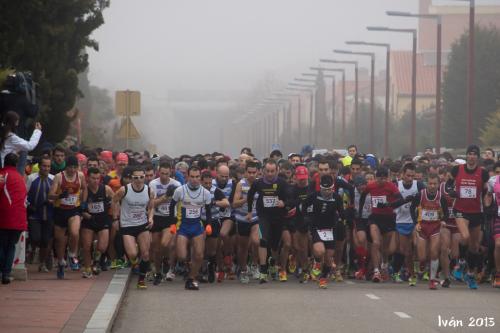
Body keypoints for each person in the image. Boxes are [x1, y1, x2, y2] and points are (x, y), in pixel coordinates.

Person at [449, 145, 489, 289]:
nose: (471, 156)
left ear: (477, 157)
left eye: (474, 154)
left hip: (476, 212)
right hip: (460, 210)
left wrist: (486, 204)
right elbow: (448, 185)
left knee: (474, 247)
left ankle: (470, 274)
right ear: (466, 156)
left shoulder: (483, 173)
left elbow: (485, 191)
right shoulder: (457, 170)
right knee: (464, 237)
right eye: (469, 154)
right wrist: (451, 192)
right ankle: (459, 264)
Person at [168, 166, 212, 290]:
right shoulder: (180, 191)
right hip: (183, 227)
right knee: (182, 256)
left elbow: (208, 212)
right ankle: (188, 269)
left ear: (200, 178)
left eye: (197, 177)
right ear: (187, 176)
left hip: (197, 227)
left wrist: (208, 224)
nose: (194, 179)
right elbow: (172, 207)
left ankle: (191, 279)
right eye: (192, 177)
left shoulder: (205, 193)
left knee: (199, 255)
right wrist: (172, 223)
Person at [112, 165, 154, 289]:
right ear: (131, 178)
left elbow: (151, 207)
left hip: (142, 224)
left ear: (145, 177)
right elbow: (114, 201)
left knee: (146, 254)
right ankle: (135, 263)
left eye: (142, 177)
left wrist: (151, 218)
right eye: (136, 177)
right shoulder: (124, 190)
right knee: (132, 254)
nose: (139, 180)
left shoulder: (149, 191)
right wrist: (115, 218)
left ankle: (141, 280)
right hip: (127, 224)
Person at [247, 159, 288, 284]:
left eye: (272, 171)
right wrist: (249, 211)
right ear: (263, 171)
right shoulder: (258, 183)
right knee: (263, 240)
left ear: (277, 171)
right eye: (267, 171)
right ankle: (263, 270)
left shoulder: (282, 183)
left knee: (275, 245)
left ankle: (272, 265)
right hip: (263, 216)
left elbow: (289, 198)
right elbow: (250, 195)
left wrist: (284, 203)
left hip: (278, 217)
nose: (270, 174)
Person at [302, 175, 344, 289]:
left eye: (329, 189)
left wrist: (344, 218)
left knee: (329, 257)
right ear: (320, 188)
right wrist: (306, 217)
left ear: (333, 188)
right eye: (324, 190)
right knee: (320, 251)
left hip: (331, 228)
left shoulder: (336, 198)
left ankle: (323, 278)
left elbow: (341, 212)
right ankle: (317, 262)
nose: (327, 192)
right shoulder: (314, 196)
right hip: (317, 227)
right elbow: (304, 205)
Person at [49, 155, 87, 279]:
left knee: (75, 232)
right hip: (60, 210)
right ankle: (61, 263)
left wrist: (83, 203)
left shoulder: (80, 176)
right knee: (60, 241)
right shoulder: (59, 177)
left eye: (75, 167)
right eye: (70, 167)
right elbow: (50, 195)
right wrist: (60, 195)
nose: (72, 170)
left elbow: (85, 188)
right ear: (66, 166)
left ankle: (72, 254)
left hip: (74, 210)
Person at [410, 173, 448, 289]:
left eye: (435, 184)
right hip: (423, 226)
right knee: (422, 257)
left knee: (434, 252)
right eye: (430, 184)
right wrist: (416, 223)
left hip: (435, 226)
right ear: (427, 184)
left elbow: (445, 212)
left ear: (438, 184)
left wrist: (443, 220)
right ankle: (421, 266)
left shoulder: (441, 197)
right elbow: (412, 208)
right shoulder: (420, 195)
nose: (432, 186)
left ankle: (432, 279)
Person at [149, 162, 181, 284]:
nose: (164, 176)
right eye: (162, 173)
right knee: (156, 249)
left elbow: (180, 204)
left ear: (171, 173)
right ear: (158, 172)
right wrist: (165, 197)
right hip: (157, 217)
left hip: (170, 218)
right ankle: (158, 272)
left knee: (165, 244)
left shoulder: (176, 184)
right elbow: (151, 204)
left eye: (166, 174)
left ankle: (167, 261)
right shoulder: (153, 184)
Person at [80, 167, 114, 278]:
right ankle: (87, 268)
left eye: (98, 178)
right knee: (86, 246)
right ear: (88, 178)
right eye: (93, 178)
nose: (95, 181)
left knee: (103, 247)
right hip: (89, 220)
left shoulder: (106, 189)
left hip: (103, 220)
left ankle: (96, 262)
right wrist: (83, 213)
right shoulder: (84, 191)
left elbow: (115, 200)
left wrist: (114, 214)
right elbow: (79, 206)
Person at [0, 153, 28, 284]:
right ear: (16, 164)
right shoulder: (20, 178)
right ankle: (6, 274)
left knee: (1, 245)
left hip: (4, 217)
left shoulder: (2, 175)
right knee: (11, 246)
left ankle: (2, 272)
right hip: (19, 219)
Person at [232, 161, 260, 283]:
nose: (252, 175)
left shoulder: (260, 183)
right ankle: (243, 270)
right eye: (249, 172)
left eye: (254, 172)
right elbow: (234, 203)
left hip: (255, 218)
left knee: (256, 241)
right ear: (245, 173)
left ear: (258, 172)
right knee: (243, 248)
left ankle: (254, 265)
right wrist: (246, 198)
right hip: (242, 219)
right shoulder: (241, 184)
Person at [26, 155, 54, 272]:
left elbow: (56, 196)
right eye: (44, 166)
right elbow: (24, 194)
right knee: (35, 237)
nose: (46, 168)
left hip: (49, 214)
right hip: (34, 214)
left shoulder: (53, 179)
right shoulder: (31, 178)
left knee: (45, 240)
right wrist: (28, 205)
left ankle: (42, 263)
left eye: (48, 166)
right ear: (39, 166)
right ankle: (32, 249)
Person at [485, 161, 500, 288]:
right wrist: (487, 204)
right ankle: (498, 274)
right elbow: (488, 195)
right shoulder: (493, 181)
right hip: (498, 216)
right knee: (498, 244)